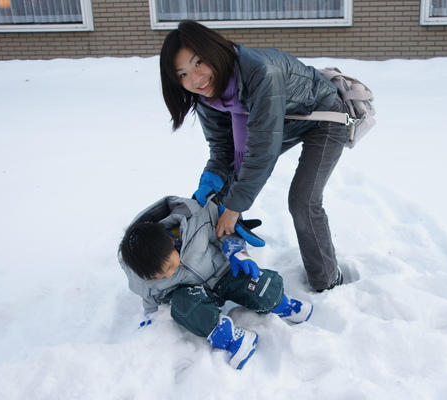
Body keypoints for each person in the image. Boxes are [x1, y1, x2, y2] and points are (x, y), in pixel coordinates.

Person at [159, 20, 347, 292]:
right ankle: (219, 264)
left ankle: (328, 281)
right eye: (182, 74)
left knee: (303, 200)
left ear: (214, 50)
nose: (195, 79)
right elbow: (223, 149)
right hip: (284, 121)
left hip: (325, 117)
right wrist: (211, 181)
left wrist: (234, 208)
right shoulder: (208, 96)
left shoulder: (261, 72)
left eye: (198, 63)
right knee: (224, 186)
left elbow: (261, 151)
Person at [118, 195, 313, 370]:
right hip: (193, 295)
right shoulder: (142, 274)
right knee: (182, 306)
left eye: (169, 265)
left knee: (256, 283)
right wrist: (152, 316)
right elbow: (149, 296)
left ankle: (283, 303)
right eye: (161, 276)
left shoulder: (195, 222)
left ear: (171, 243)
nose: (170, 272)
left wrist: (234, 249)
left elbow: (223, 232)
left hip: (224, 273)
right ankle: (231, 338)